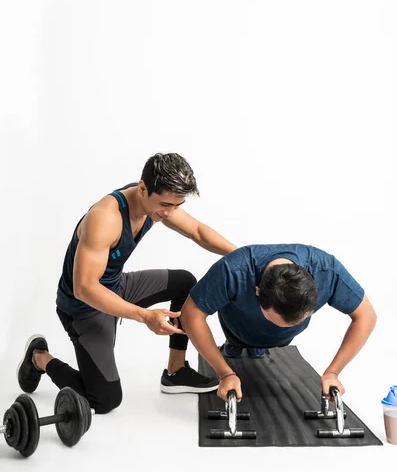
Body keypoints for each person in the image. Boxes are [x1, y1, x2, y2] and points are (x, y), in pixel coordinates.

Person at [17, 153, 237, 413]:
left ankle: (176, 371)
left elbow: (198, 232)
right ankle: (39, 358)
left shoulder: (154, 205)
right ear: (142, 188)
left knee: (185, 282)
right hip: (83, 308)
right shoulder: (104, 218)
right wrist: (144, 316)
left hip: (117, 286)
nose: (169, 213)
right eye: (165, 204)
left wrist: (246, 260)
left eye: (176, 206)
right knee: (105, 400)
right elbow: (84, 288)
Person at [180, 244, 377, 401]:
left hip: (283, 341)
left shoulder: (326, 270)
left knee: (276, 340)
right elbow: (191, 314)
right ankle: (237, 345)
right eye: (279, 321)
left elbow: (366, 316)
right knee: (235, 346)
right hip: (238, 328)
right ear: (257, 293)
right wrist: (224, 373)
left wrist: (333, 372)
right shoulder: (233, 270)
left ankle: (262, 345)